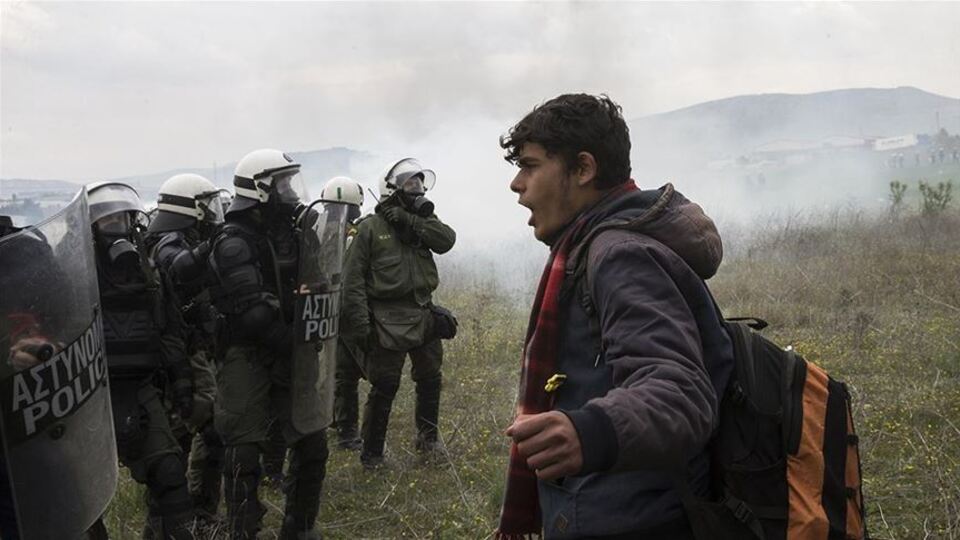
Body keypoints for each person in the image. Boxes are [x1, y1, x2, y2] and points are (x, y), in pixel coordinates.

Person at [495, 93, 733, 539]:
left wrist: (589, 432)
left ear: (583, 169)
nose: (517, 184)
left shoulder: (619, 254)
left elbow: (680, 392)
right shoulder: (599, 245)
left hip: (633, 519)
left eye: (529, 166)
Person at [208, 149, 328, 539]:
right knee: (243, 453)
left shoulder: (292, 232)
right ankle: (244, 531)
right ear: (260, 188)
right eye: (282, 182)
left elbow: (318, 280)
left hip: (290, 344)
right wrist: (292, 348)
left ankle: (299, 528)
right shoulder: (233, 241)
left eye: (291, 181)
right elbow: (252, 313)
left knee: (312, 442)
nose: (291, 191)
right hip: (248, 352)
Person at [87, 182, 196, 539]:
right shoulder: (76, 277)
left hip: (141, 389)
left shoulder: (148, 273)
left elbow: (168, 330)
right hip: (89, 396)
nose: (116, 226)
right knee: (81, 497)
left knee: (169, 472)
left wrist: (181, 382)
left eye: (122, 218)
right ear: (91, 228)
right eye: (108, 221)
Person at [341, 158, 456, 469]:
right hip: (386, 320)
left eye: (419, 182)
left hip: (423, 311)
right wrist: (362, 326)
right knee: (385, 386)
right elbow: (351, 283)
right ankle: (373, 456)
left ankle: (428, 442)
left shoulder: (420, 223)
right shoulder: (369, 229)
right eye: (410, 183)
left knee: (430, 379)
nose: (417, 189)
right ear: (390, 189)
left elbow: (447, 240)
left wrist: (412, 221)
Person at [146, 173, 228, 532]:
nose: (213, 211)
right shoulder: (167, 242)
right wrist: (210, 249)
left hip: (196, 348)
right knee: (187, 431)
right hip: (182, 355)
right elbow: (179, 267)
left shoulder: (189, 238)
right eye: (205, 204)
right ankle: (177, 516)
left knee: (208, 429)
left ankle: (198, 511)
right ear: (187, 208)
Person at [322, 176, 368, 451]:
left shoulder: (355, 235)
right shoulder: (324, 234)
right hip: (330, 311)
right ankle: (344, 429)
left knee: (340, 374)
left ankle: (341, 425)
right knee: (343, 375)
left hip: (336, 311)